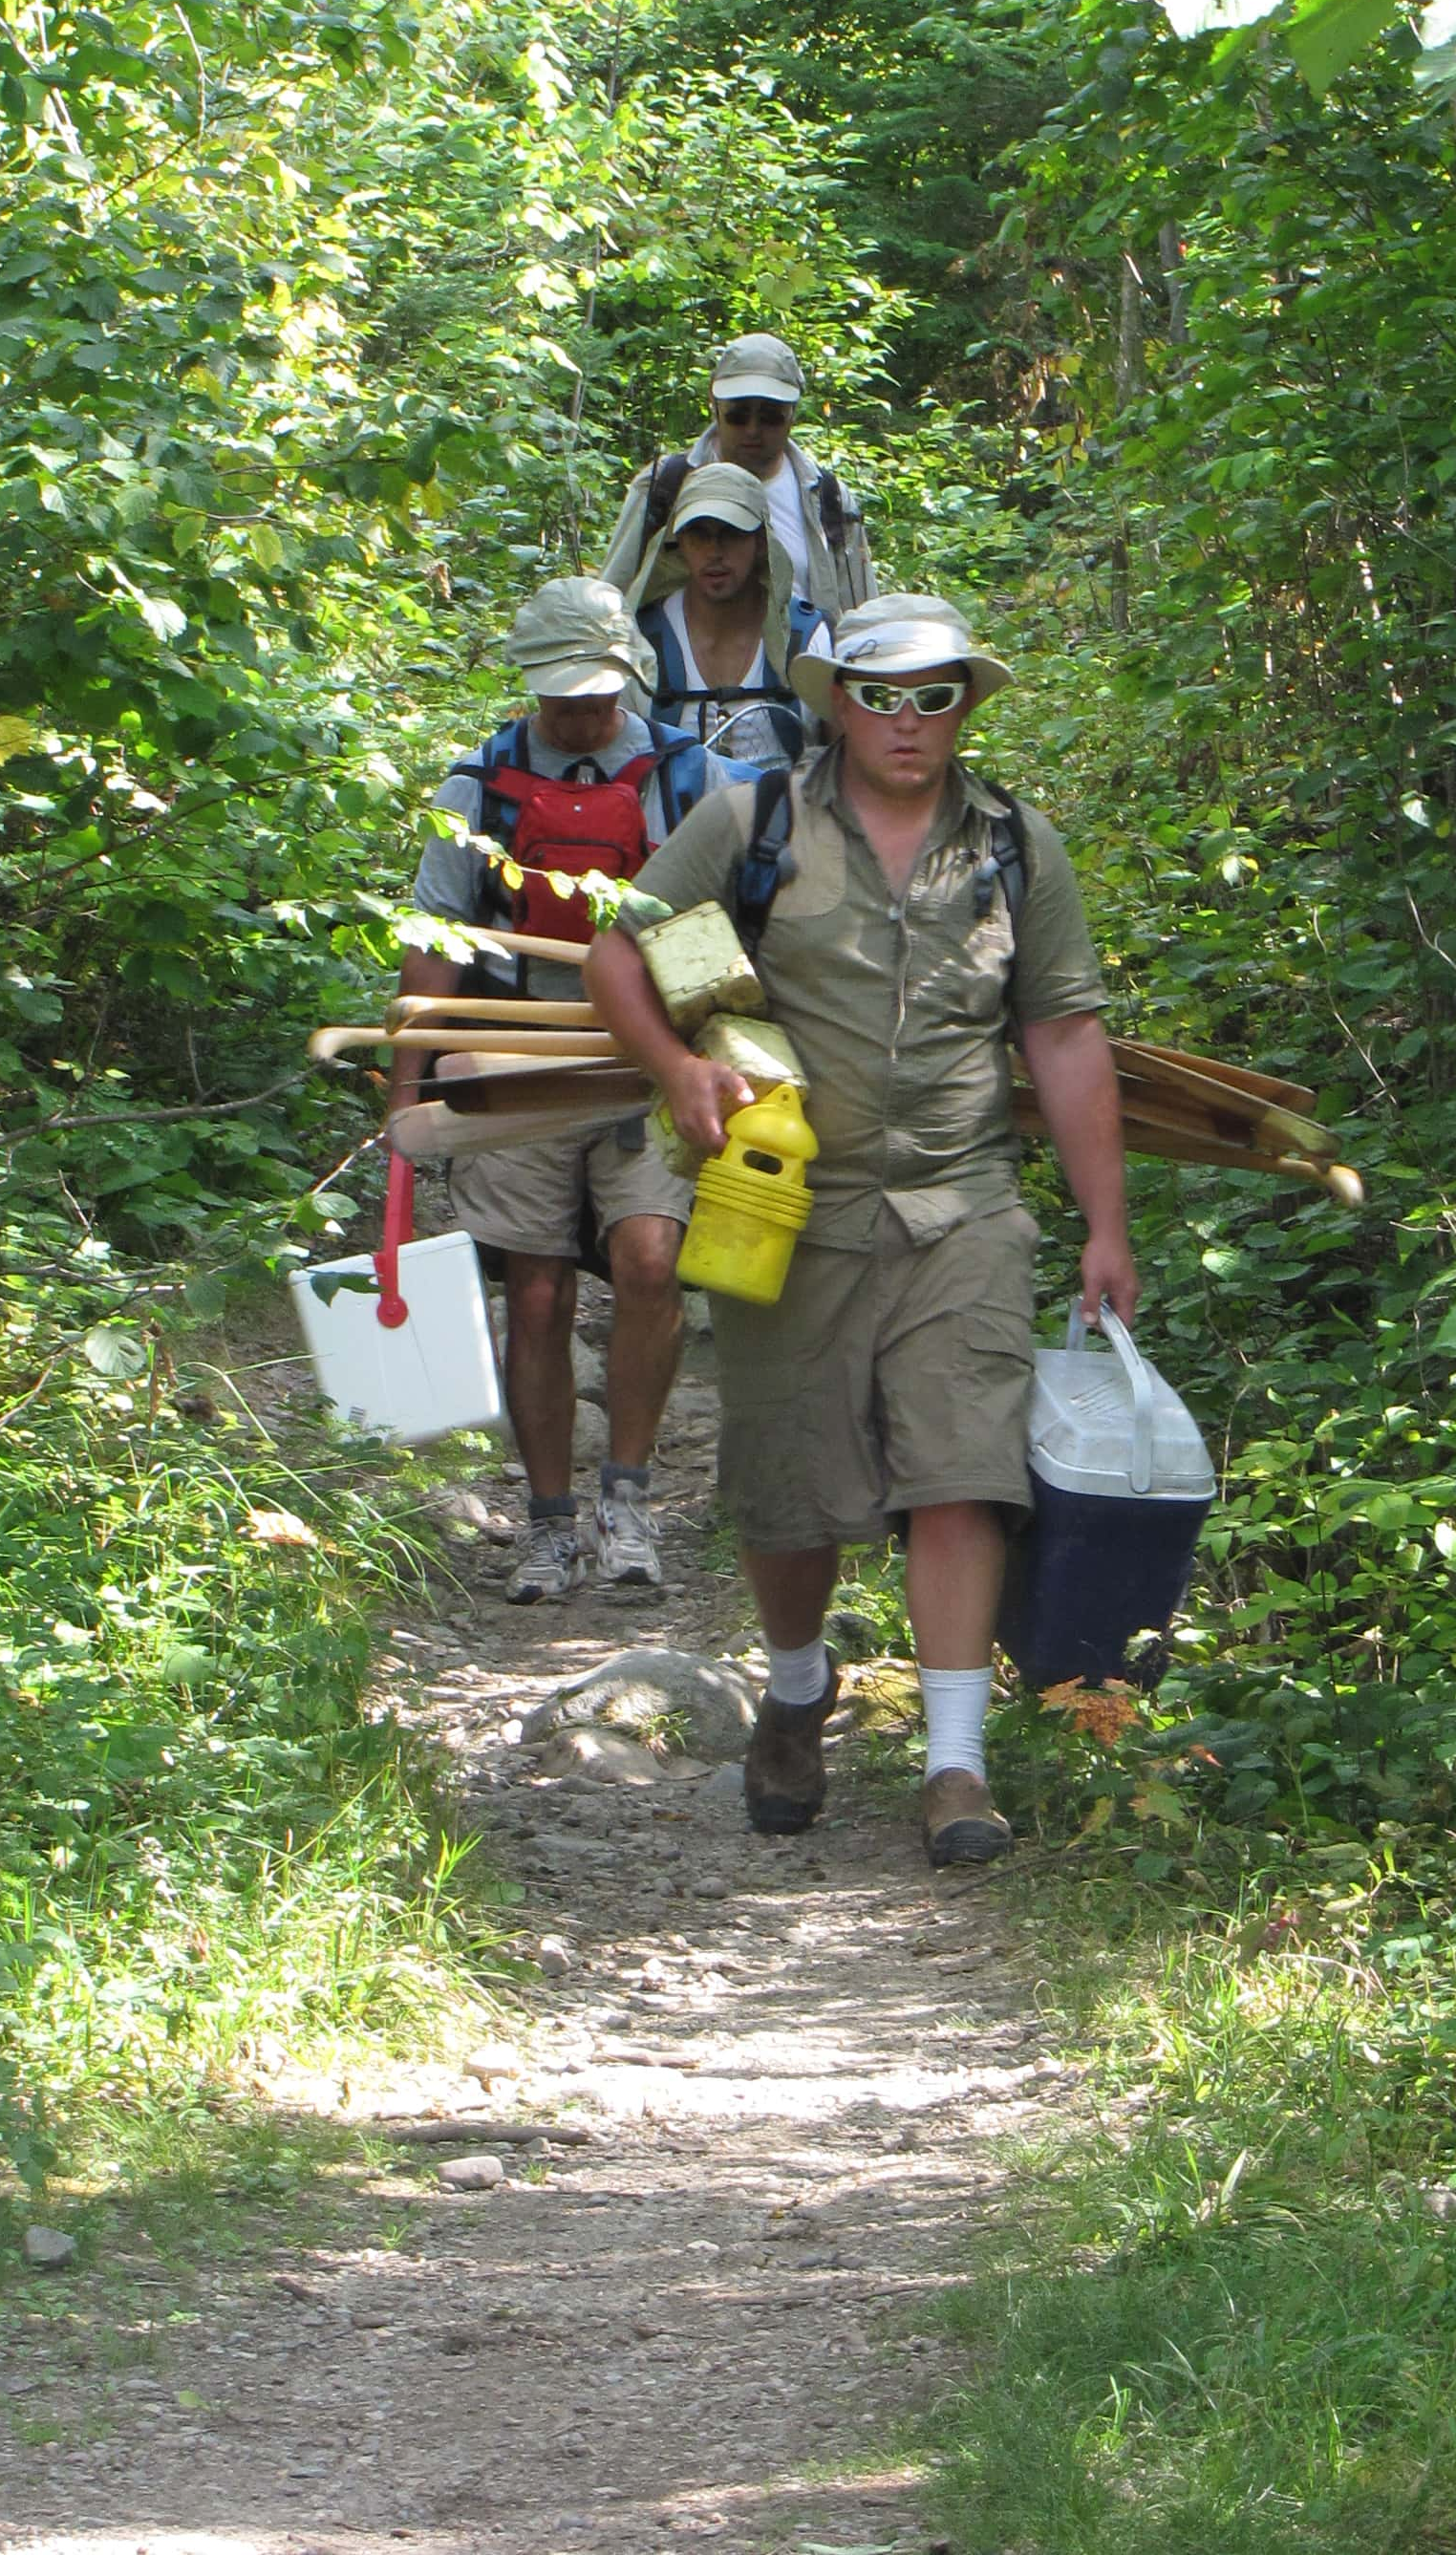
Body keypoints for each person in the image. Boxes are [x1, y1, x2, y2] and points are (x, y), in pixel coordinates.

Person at [585, 593, 1138, 1870]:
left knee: (964, 1476)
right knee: (792, 1492)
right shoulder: (754, 821)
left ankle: (957, 1767)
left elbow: (1061, 1034)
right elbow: (624, 955)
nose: (907, 719)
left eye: (934, 695)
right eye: (881, 693)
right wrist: (676, 1070)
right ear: (836, 697)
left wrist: (1106, 1225)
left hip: (966, 1207)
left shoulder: (1013, 847)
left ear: (967, 706)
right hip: (786, 1210)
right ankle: (794, 1694)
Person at [397, 578, 728, 1606]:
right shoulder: (479, 789)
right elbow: (436, 943)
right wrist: (408, 1094)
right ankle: (547, 1522)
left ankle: (626, 1502)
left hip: (649, 1056)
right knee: (534, 1291)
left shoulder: (694, 776)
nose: (584, 714)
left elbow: (748, 917)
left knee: (649, 1261)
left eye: (599, 695)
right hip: (517, 1057)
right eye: (564, 698)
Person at [598, 332, 876, 621]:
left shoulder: (828, 498)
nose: (753, 430)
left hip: (801, 661)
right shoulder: (664, 486)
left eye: (770, 416)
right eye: (738, 415)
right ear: (714, 406)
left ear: (792, 413)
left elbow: (862, 615)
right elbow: (610, 598)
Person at [623, 460, 829, 772]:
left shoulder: (806, 637)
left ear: (761, 542)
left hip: (785, 815)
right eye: (698, 535)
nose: (714, 551)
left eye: (731, 534)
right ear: (678, 544)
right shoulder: (641, 640)